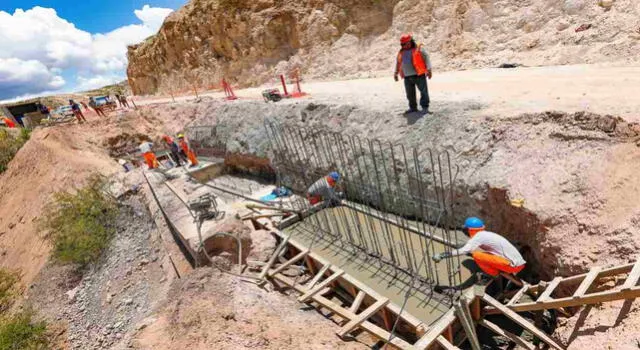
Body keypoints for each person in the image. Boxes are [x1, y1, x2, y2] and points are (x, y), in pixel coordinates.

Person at [432, 217, 526, 285]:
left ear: (468, 230)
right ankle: (497, 269)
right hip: (517, 262)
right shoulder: (484, 234)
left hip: (512, 266)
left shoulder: (478, 237)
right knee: (479, 253)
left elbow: (463, 251)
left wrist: (442, 255)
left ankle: (493, 275)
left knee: (477, 255)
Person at [394, 34, 433, 114]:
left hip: (419, 75)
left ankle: (425, 107)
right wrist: (396, 72)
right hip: (407, 77)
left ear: (410, 42)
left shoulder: (418, 49)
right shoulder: (401, 52)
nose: (404, 46)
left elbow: (427, 58)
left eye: (405, 44)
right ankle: (413, 108)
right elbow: (398, 62)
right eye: (402, 44)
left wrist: (429, 69)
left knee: (423, 92)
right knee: (410, 94)